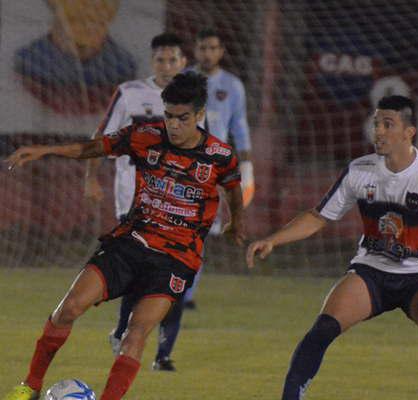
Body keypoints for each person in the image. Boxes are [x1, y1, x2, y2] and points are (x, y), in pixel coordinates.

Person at [3, 71, 244, 400]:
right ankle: (29, 386)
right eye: (169, 116)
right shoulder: (145, 135)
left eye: (182, 118)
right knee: (69, 308)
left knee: (136, 331)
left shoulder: (220, 156)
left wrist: (236, 223)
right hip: (132, 241)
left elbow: (233, 189)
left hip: (176, 258)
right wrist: (45, 150)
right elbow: (96, 147)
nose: (173, 125)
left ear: (200, 115)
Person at [246, 95, 418, 400]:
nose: (379, 131)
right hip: (372, 270)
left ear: (409, 132)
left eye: (388, 124)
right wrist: (272, 240)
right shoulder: (360, 170)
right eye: (376, 124)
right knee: (323, 328)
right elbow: (319, 216)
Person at [84, 32, 190, 372]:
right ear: (152, 61)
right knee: (137, 266)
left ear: (183, 62)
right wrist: (90, 176)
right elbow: (103, 138)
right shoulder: (130, 93)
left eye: (173, 59)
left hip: (176, 201)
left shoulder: (192, 99)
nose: (167, 65)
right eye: (161, 59)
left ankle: (150, 342)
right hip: (133, 196)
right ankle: (125, 331)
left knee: (170, 270)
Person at [182, 28, 254, 309]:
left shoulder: (233, 86)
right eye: (203, 48)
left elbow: (240, 127)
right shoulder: (184, 79)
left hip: (212, 168)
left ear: (221, 51)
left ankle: (186, 296)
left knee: (200, 232)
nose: (207, 53)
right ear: (195, 50)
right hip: (182, 163)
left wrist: (247, 166)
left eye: (213, 48)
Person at [14, 0, 136, 114]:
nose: (88, 26)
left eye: (98, 20)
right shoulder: (30, 63)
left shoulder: (123, 67)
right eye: (75, 19)